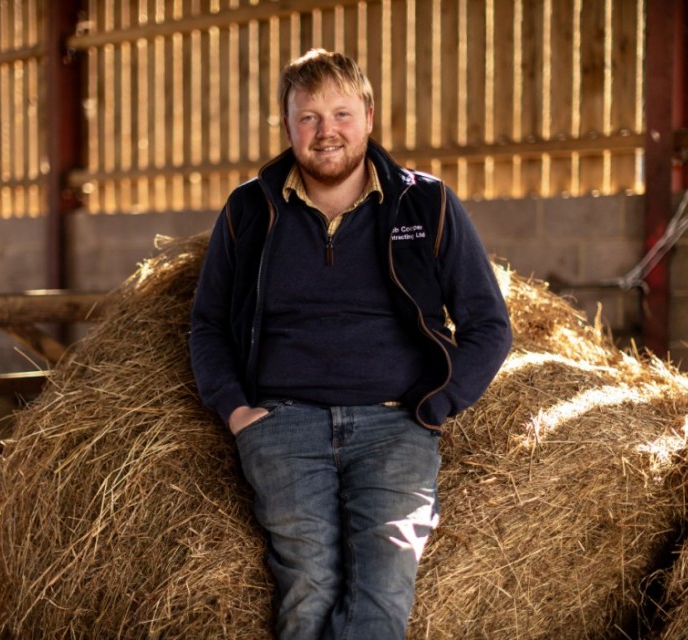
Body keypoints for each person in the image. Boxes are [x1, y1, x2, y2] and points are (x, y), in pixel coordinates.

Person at [189, 49, 511, 639]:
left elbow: (489, 323)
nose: (325, 131)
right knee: (308, 584)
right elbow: (207, 324)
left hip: (396, 424)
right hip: (282, 424)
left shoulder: (426, 203)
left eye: (340, 113)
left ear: (367, 115)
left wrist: (434, 407)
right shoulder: (249, 209)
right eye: (308, 116)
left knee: (384, 586)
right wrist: (237, 412)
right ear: (287, 125)